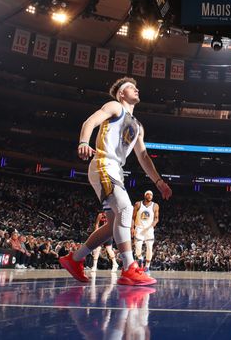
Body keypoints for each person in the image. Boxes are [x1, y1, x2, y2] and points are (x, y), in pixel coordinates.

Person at [60, 77, 172, 286]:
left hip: (116, 169)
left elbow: (144, 157)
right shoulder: (114, 106)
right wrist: (84, 141)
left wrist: (158, 182)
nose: (137, 89)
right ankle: (129, 267)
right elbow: (89, 122)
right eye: (131, 87)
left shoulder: (138, 126)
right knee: (126, 209)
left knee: (113, 225)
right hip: (104, 162)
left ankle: (74, 259)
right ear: (121, 94)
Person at [132, 191, 159, 270]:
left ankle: (147, 266)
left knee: (150, 247)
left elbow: (156, 219)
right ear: (145, 195)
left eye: (151, 195)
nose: (150, 196)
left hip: (149, 229)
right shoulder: (138, 204)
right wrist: (132, 228)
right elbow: (133, 217)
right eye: (148, 194)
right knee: (138, 248)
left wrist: (151, 226)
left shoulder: (155, 205)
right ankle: (140, 258)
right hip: (139, 228)